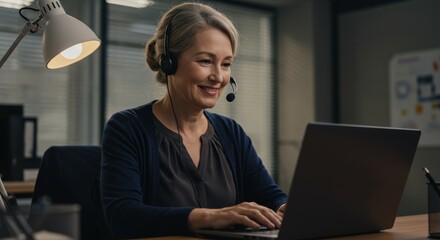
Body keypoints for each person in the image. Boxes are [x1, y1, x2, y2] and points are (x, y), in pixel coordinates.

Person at [100, 2, 288, 239]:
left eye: (226, 64)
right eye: (205, 61)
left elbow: (270, 195)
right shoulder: (127, 128)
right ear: (169, 62)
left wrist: (284, 207)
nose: (218, 77)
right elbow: (123, 217)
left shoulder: (231, 132)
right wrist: (212, 216)